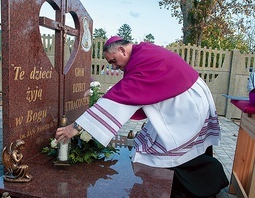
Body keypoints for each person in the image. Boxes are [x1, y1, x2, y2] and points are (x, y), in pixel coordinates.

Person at [55, 36, 228, 197]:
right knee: (165, 145)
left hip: (186, 106)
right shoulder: (142, 52)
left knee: (167, 151)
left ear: (122, 50)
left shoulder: (142, 59)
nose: (113, 67)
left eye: (113, 61)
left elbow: (121, 95)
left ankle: (202, 184)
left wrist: (75, 128)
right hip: (184, 98)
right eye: (110, 64)